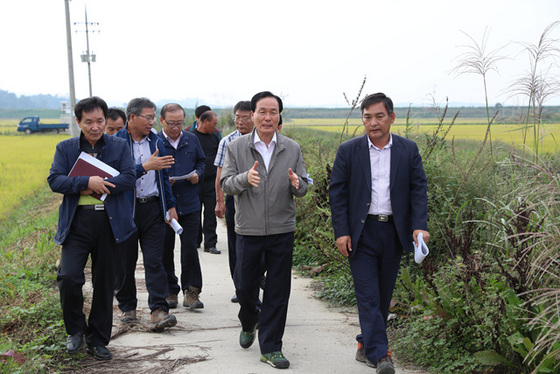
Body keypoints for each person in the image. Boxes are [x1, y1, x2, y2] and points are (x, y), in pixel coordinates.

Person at [329, 92, 430, 374]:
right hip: (361, 232)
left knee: (383, 294)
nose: (373, 123)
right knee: (368, 295)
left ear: (391, 118)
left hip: (394, 232)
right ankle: (381, 355)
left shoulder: (408, 150)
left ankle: (365, 343)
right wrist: (341, 231)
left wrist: (419, 225)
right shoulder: (349, 151)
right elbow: (337, 193)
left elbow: (418, 189)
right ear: (362, 119)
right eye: (367, 117)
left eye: (379, 116)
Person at [221, 91, 308, 369]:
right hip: (249, 230)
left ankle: (271, 348)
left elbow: (304, 186)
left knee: (278, 291)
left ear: (279, 116)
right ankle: (249, 320)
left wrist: (298, 185)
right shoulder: (237, 147)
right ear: (253, 115)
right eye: (262, 111)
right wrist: (245, 178)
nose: (268, 117)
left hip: (282, 230)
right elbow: (226, 184)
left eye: (273, 112)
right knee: (246, 289)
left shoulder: (292, 148)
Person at [47, 96, 136, 361]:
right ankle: (75, 330)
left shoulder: (119, 147)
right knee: (69, 277)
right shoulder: (66, 148)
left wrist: (101, 185)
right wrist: (86, 181)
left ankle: (98, 339)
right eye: (89, 122)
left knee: (105, 282)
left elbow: (129, 178)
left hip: (109, 224)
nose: (95, 127)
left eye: (100, 121)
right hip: (77, 223)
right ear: (78, 122)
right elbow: (55, 180)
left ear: (105, 120)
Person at [115, 97, 178, 332]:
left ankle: (158, 310)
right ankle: (128, 308)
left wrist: (170, 205)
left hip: (152, 208)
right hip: (126, 210)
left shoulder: (156, 140)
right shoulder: (116, 143)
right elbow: (115, 178)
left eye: (154, 117)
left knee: (155, 261)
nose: (153, 122)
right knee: (125, 262)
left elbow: (162, 176)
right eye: (148, 117)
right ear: (132, 118)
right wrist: (144, 167)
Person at [157, 103, 207, 311]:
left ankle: (192, 291)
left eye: (180, 123)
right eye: (171, 123)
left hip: (189, 204)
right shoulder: (155, 142)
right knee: (165, 250)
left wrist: (198, 174)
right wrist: (161, 180)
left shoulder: (191, 139)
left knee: (189, 249)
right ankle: (170, 290)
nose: (176, 127)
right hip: (164, 207)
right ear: (161, 121)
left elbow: (202, 162)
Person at [214, 101, 254, 303]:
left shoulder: (263, 140)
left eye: (244, 117)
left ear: (253, 117)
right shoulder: (227, 142)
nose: (240, 121)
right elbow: (220, 174)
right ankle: (240, 287)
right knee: (235, 245)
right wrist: (219, 201)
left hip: (258, 201)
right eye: (237, 117)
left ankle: (254, 282)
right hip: (234, 199)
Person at [191, 110, 221, 254]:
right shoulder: (191, 138)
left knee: (210, 213)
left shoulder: (215, 138)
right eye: (213, 124)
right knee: (195, 213)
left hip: (211, 182)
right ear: (205, 121)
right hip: (194, 183)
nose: (215, 127)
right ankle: (195, 241)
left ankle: (210, 243)